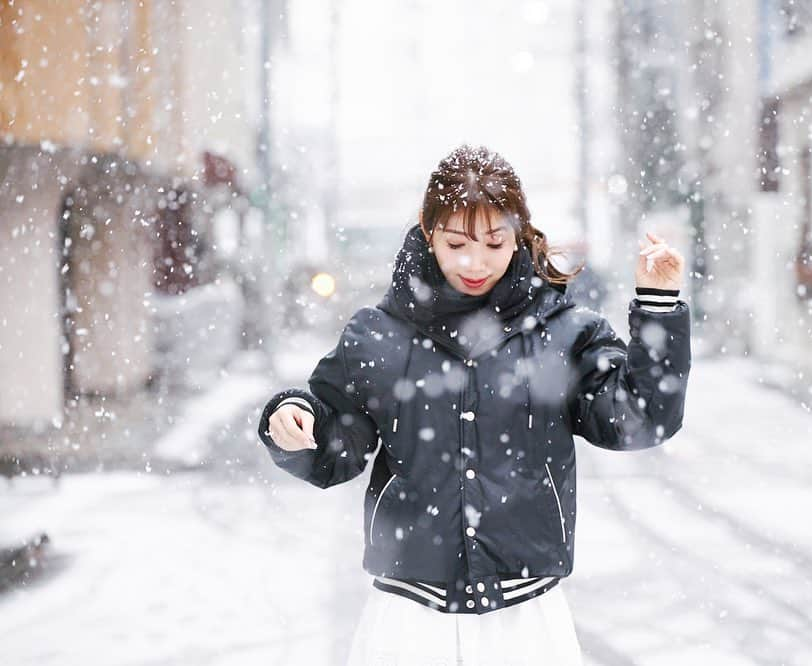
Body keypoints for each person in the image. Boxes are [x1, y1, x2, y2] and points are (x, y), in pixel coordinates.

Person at [257, 144, 691, 665]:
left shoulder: (563, 331)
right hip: (405, 618)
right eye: (457, 242)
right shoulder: (377, 335)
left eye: (493, 242)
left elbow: (641, 418)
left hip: (527, 620)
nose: (474, 262)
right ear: (427, 231)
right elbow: (335, 448)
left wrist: (658, 306)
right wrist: (295, 421)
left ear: (518, 234)